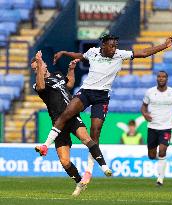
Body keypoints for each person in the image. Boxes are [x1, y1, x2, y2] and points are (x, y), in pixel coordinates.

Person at [36, 34, 172, 184]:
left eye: (116, 46)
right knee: (66, 114)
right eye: (112, 46)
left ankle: (89, 170)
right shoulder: (93, 52)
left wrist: (164, 46)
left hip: (101, 97)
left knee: (95, 133)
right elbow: (81, 56)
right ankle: (45, 145)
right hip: (86, 92)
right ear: (104, 46)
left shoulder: (119, 55)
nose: (114, 49)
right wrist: (64, 53)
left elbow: (144, 53)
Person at [31, 51, 112, 196]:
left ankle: (103, 166)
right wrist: (38, 62)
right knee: (65, 161)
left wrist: (71, 69)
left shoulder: (57, 75)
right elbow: (41, 87)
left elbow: (69, 84)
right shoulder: (38, 84)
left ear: (45, 65)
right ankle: (80, 183)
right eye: (35, 68)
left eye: (37, 66)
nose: (37, 69)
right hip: (58, 123)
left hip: (72, 116)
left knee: (87, 139)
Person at [141, 71, 172, 186]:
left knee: (162, 150)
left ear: (167, 79)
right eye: (159, 77)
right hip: (152, 127)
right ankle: (162, 161)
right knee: (151, 155)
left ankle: (160, 179)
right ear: (156, 79)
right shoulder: (150, 92)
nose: (161, 78)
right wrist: (145, 115)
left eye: (163, 77)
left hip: (166, 127)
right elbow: (143, 107)